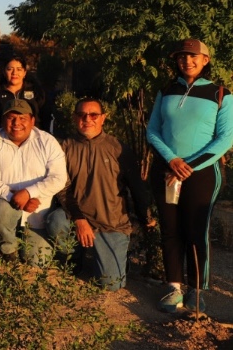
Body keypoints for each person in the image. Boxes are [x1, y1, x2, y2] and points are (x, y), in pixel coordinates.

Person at [146, 38, 233, 313]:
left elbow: (226, 137)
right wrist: (172, 160)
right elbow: (152, 131)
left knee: (196, 231)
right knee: (171, 230)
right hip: (167, 170)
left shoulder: (220, 93)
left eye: (193, 56)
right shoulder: (167, 90)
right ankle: (174, 288)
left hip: (202, 173)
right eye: (182, 56)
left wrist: (189, 166)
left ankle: (197, 291)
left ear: (205, 60)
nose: (187, 61)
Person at [49, 98, 150, 291]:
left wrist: (145, 216)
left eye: (93, 115)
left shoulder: (119, 149)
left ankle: (111, 257)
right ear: (74, 118)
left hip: (110, 223)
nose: (87, 119)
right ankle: (74, 257)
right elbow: (62, 188)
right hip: (76, 217)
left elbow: (136, 187)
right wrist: (79, 219)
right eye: (82, 115)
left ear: (103, 118)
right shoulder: (64, 148)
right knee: (55, 220)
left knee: (111, 284)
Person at [0, 99, 67, 264]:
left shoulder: (47, 141)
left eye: (22, 118)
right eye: (11, 118)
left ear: (32, 121)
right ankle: (7, 248)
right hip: (7, 206)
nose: (16, 123)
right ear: (3, 120)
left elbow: (59, 178)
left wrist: (28, 193)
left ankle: (36, 242)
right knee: (0, 208)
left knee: (38, 262)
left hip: (38, 211)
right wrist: (14, 197)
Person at [0, 55, 46, 131]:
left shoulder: (35, 90)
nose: (14, 73)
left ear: (24, 72)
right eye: (10, 69)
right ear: (4, 72)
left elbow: (43, 115)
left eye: (19, 69)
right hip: (6, 135)